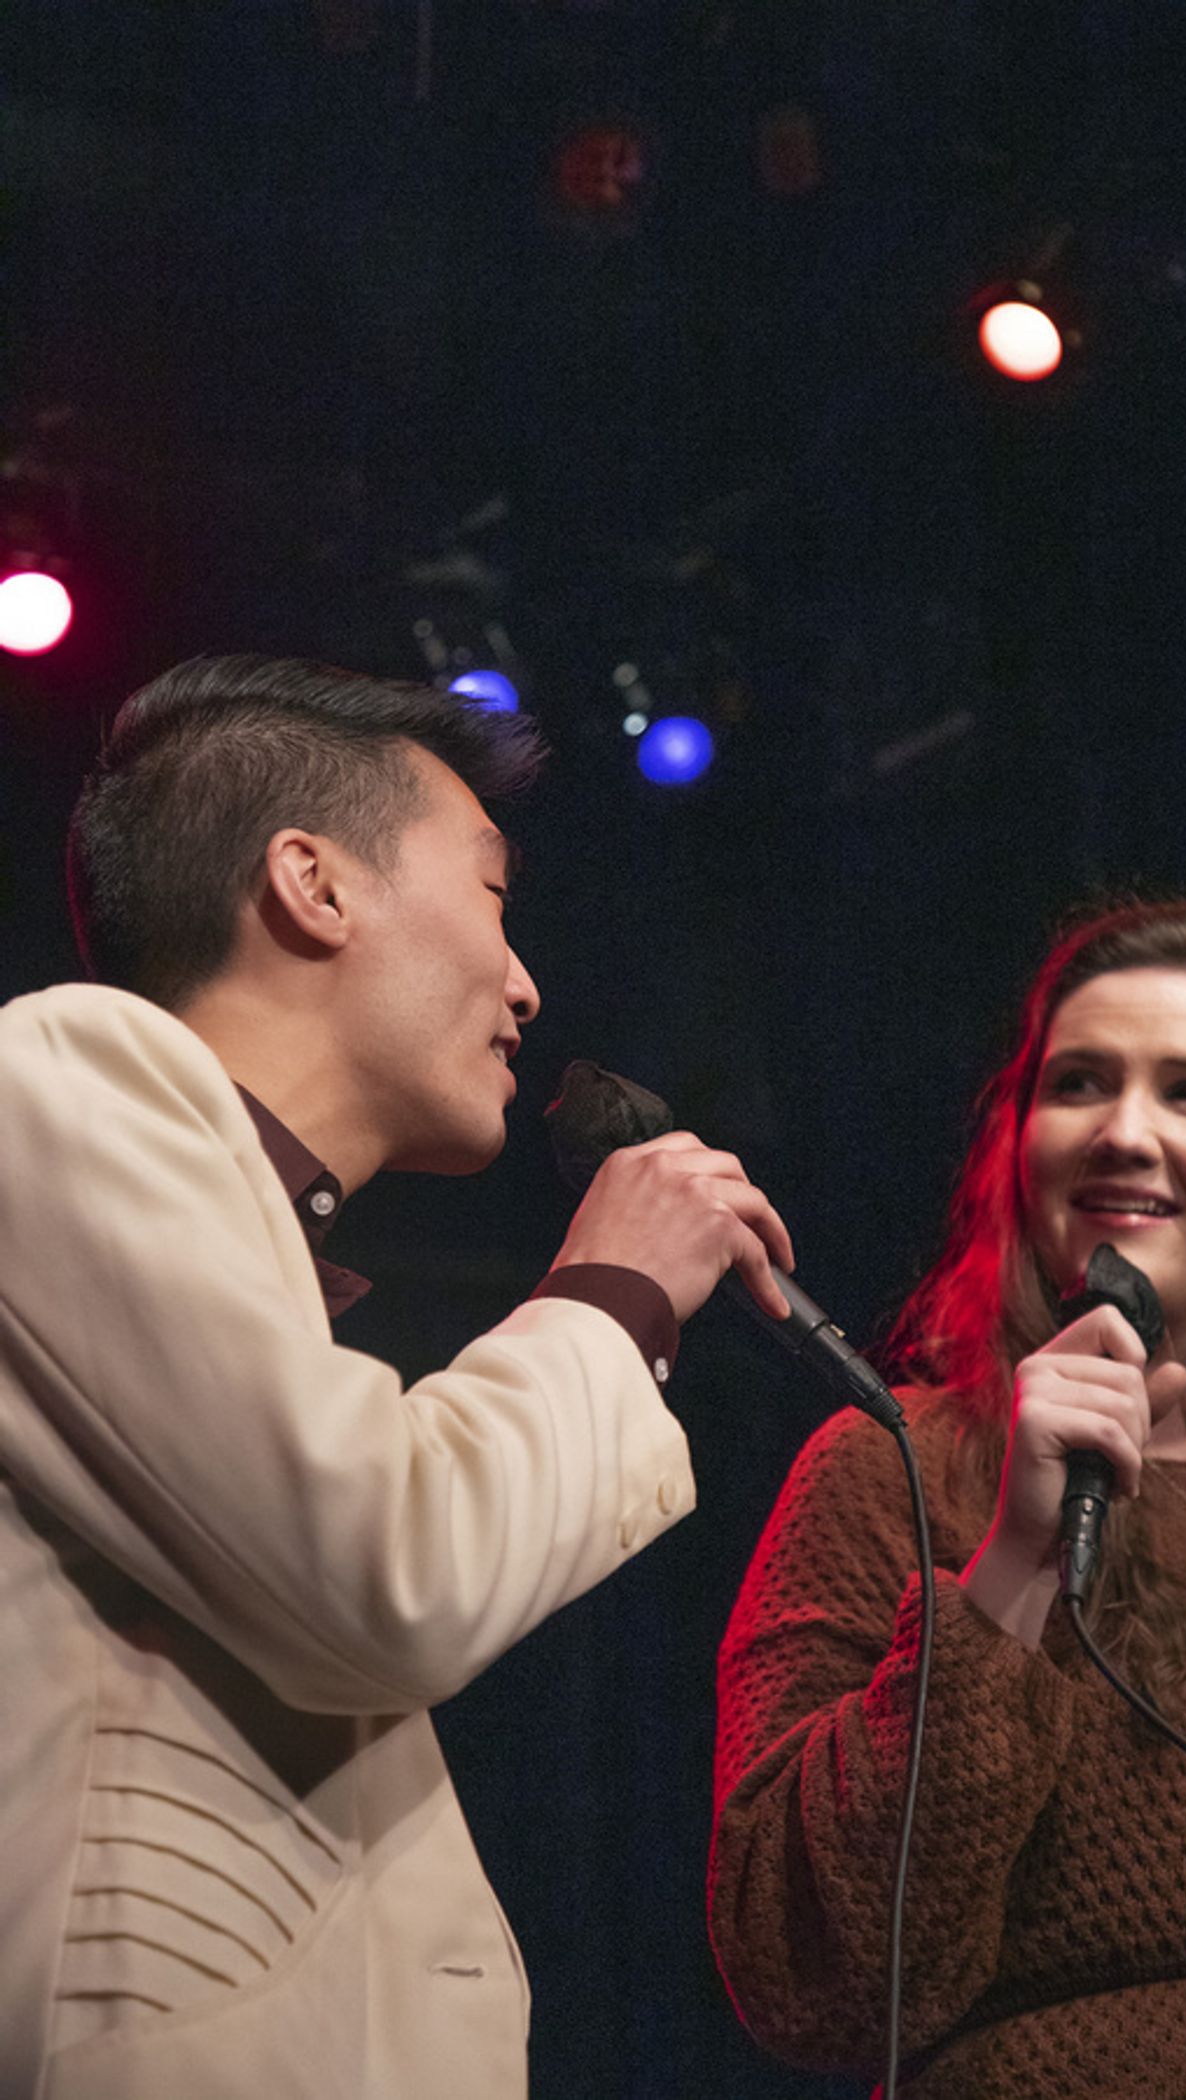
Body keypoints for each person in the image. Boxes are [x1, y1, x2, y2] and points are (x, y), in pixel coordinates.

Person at [0, 654, 795, 2100]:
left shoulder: (214, 1237)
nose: (525, 980)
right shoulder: (62, 1073)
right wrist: (609, 1300)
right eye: (492, 896)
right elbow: (387, 1568)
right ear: (315, 884)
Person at [708, 898, 1186, 2099]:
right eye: (1078, 1083)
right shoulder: (890, 1467)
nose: (1123, 1132)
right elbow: (799, 1969)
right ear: (1014, 1142)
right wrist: (1013, 1567)